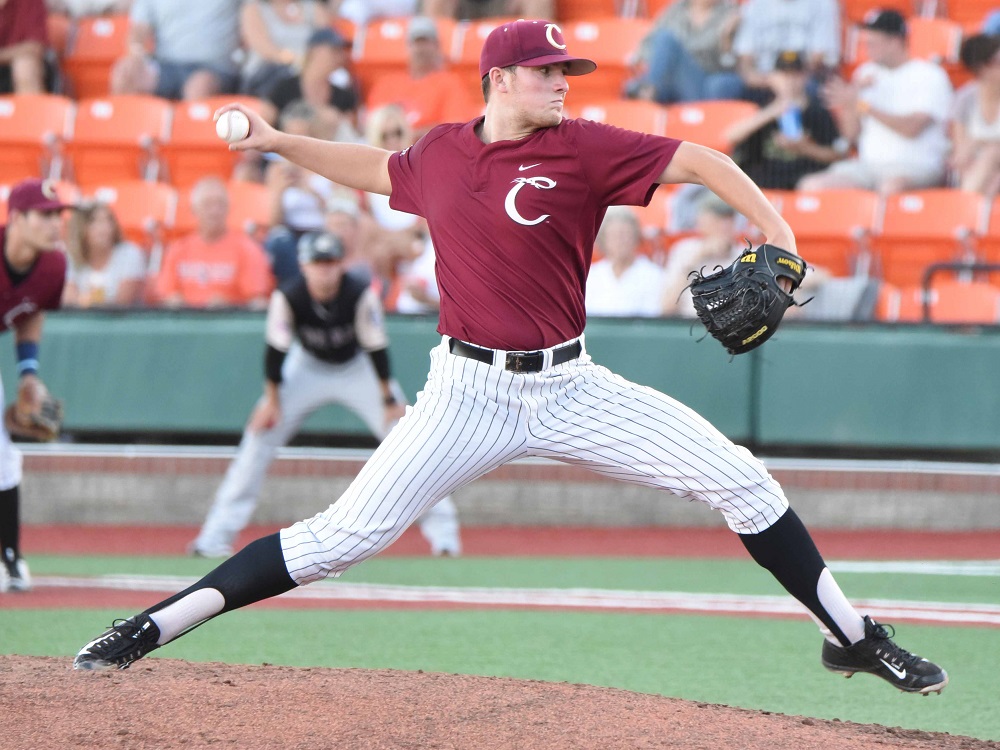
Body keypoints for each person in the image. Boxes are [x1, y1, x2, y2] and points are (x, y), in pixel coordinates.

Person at [73, 19, 949, 698]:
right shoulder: (443, 155)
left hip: (570, 386)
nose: (562, 84)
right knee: (342, 537)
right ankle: (152, 626)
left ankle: (854, 636)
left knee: (742, 479)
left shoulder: (586, 147)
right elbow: (372, 167)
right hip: (465, 393)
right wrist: (275, 141)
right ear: (498, 78)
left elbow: (705, 159)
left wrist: (780, 231)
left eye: (566, 72)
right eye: (546, 72)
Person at [189, 230, 461, 559]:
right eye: (318, 263)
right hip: (306, 368)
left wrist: (389, 398)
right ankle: (214, 537)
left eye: (331, 262)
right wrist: (272, 400)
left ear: (340, 265)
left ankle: (445, 537)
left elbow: (376, 347)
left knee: (408, 439)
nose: (325, 270)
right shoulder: (289, 295)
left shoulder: (358, 292)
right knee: (258, 436)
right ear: (304, 265)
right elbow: (276, 351)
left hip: (357, 368)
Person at [0, 179, 70, 593]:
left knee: (5, 457)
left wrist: (29, 373)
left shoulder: (54, 266)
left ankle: (11, 557)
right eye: (44, 215)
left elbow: (31, 312)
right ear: (16, 218)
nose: (54, 223)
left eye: (57, 214)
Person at [799, 10, 953, 195]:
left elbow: (911, 128)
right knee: (812, 187)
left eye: (873, 43)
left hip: (916, 165)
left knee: (889, 190)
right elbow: (851, 136)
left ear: (895, 41)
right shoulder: (866, 73)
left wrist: (862, 105)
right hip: (869, 166)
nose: (867, 49)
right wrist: (849, 104)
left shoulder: (930, 74)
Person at [724, 50, 842, 190]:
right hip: (761, 181)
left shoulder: (818, 111)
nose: (790, 81)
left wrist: (805, 148)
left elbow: (836, 154)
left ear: (805, 77)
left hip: (800, 181)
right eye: (784, 75)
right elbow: (730, 137)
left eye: (795, 75)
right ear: (772, 77)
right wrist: (771, 112)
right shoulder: (760, 105)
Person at [154, 177, 274, 309]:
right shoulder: (179, 249)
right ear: (193, 210)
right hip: (184, 324)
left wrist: (230, 306)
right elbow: (165, 295)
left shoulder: (247, 249)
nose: (214, 211)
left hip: (229, 324)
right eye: (207, 204)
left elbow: (257, 302)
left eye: (220, 204)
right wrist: (175, 303)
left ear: (228, 209)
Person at [364, 16, 479, 138]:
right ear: (407, 47)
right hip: (388, 150)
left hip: (428, 152)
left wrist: (407, 134)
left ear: (437, 46)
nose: (420, 49)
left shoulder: (450, 83)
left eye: (426, 43)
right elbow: (371, 126)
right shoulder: (387, 83)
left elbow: (455, 129)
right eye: (416, 43)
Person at [111, 0, 242, 100]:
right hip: (166, 65)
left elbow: (253, 11)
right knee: (125, 75)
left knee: (199, 86)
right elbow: (138, 29)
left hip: (215, 67)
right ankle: (123, 134)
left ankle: (192, 134)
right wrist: (135, 53)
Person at [624, 0, 745, 105]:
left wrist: (726, 40)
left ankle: (648, 91)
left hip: (705, 80)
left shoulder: (730, 13)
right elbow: (648, 45)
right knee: (664, 39)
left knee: (665, 39)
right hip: (673, 78)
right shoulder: (675, 10)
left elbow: (733, 66)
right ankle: (650, 89)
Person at [262, 26, 361, 137]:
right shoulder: (285, 87)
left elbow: (352, 133)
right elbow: (264, 123)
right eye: (334, 50)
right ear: (314, 51)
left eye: (341, 51)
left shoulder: (344, 95)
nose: (341, 56)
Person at [731, 0, 840, 99]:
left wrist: (791, 80)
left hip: (804, 79)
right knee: (726, 87)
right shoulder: (754, 5)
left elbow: (818, 58)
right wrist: (769, 80)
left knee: (818, 91)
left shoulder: (822, 3)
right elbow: (745, 61)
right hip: (764, 80)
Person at [660, 192, 746, 317]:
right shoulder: (684, 250)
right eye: (718, 219)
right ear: (701, 221)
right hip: (688, 326)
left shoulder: (748, 255)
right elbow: (666, 308)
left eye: (729, 219)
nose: (725, 225)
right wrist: (697, 259)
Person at [239, 0, 333, 100]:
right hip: (267, 73)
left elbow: (327, 41)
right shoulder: (254, 8)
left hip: (307, 71)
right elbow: (263, 48)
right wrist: (296, 60)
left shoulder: (313, 7)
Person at [62, 201, 147, 308]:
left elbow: (122, 303)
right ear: (80, 227)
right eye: (94, 221)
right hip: (81, 322)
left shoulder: (130, 254)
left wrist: (85, 302)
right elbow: (69, 299)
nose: (104, 227)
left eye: (108, 220)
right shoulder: (70, 258)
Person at [585, 206, 665, 317]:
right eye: (614, 236)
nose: (620, 242)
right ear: (603, 239)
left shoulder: (653, 275)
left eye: (625, 235)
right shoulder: (591, 275)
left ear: (635, 237)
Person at [948, 33, 1000, 197]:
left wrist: (980, 142)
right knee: (989, 175)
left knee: (993, 153)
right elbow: (961, 152)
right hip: (977, 170)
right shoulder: (965, 99)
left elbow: (974, 145)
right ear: (981, 68)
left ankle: (968, 211)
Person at [0, 0, 50, 95]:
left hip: (19, 65)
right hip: (14, 56)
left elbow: (35, 47)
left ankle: (29, 108)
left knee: (25, 65)